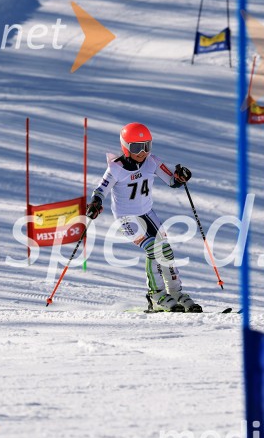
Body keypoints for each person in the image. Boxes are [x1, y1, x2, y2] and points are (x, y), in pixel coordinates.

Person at [86, 122, 202, 313]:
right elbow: (100, 189)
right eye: (137, 147)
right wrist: (96, 203)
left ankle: (175, 292)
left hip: (148, 213)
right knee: (152, 249)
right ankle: (156, 295)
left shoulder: (152, 162)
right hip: (127, 218)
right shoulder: (116, 168)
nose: (142, 152)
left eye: (146, 146)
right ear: (126, 147)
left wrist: (180, 177)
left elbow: (172, 181)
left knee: (166, 250)